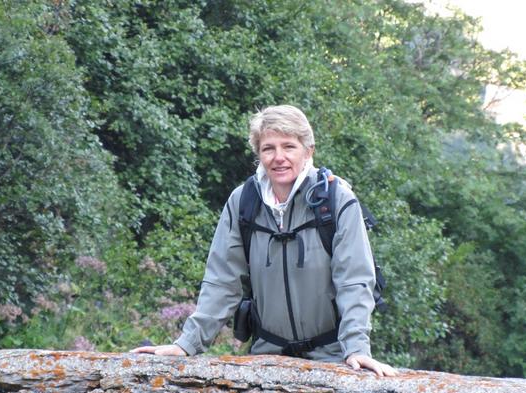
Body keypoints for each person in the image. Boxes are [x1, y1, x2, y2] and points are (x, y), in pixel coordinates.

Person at [132, 105, 396, 377]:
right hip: (266, 356)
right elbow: (222, 279)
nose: (279, 157)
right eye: (268, 148)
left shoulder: (336, 200)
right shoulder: (243, 202)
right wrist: (187, 343)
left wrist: (357, 348)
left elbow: (354, 280)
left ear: (308, 151)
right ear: (258, 154)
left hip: (332, 356)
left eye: (289, 146)